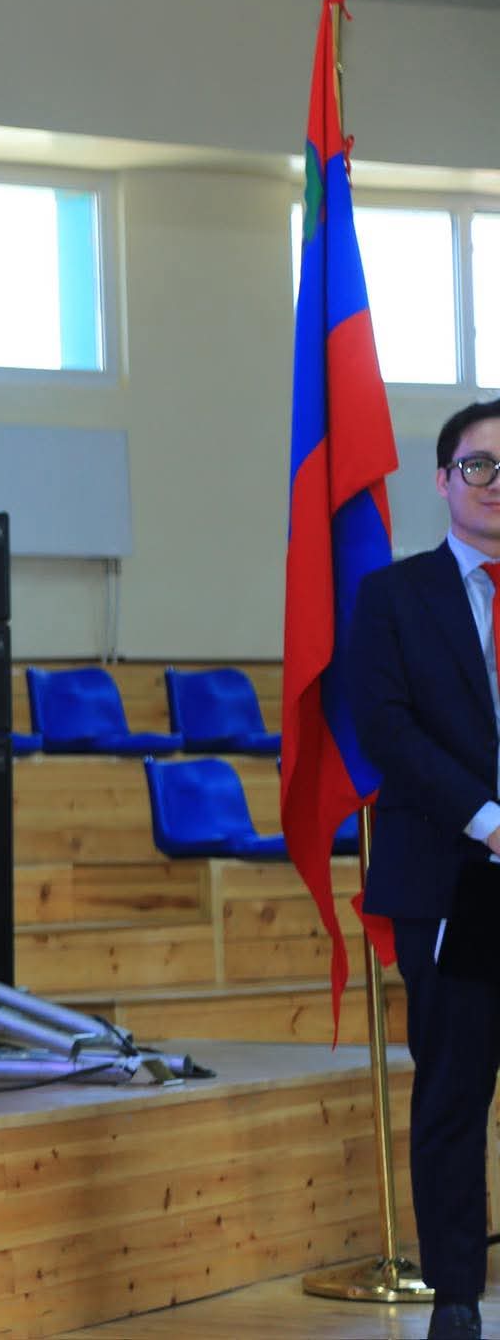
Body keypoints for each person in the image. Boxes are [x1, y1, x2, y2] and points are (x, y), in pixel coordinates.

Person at [353, 399, 500, 1340]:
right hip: (456, 873)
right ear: (444, 480)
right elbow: (386, 730)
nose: (496, 484)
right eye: (480, 465)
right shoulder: (394, 597)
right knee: (455, 1089)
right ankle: (455, 1298)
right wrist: (488, 820)